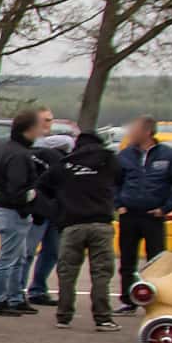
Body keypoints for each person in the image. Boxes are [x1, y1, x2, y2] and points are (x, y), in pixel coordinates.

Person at [40, 128, 122, 330]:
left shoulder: (64, 164)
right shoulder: (109, 160)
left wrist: (58, 205)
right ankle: (103, 318)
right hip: (101, 224)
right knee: (101, 273)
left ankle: (64, 316)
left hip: (72, 224)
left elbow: (42, 185)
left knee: (67, 272)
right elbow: (122, 179)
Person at [115, 115, 172, 313]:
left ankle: (156, 300)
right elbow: (113, 182)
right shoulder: (124, 155)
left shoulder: (170, 156)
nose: (130, 133)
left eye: (134, 129)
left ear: (147, 132)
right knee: (127, 260)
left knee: (156, 261)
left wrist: (166, 208)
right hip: (129, 215)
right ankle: (127, 300)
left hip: (154, 216)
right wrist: (118, 204)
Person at [0, 108, 44, 316]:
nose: (40, 131)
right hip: (11, 211)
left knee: (18, 257)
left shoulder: (7, 148)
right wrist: (30, 197)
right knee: (9, 258)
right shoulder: (19, 154)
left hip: (7, 209)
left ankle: (14, 297)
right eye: (38, 126)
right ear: (29, 129)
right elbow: (16, 188)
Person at [25, 110, 71, 305]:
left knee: (52, 251)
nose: (48, 123)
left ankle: (37, 289)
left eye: (51, 120)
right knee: (27, 252)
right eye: (45, 120)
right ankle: (17, 290)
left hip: (55, 209)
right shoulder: (30, 150)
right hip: (37, 210)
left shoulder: (59, 148)